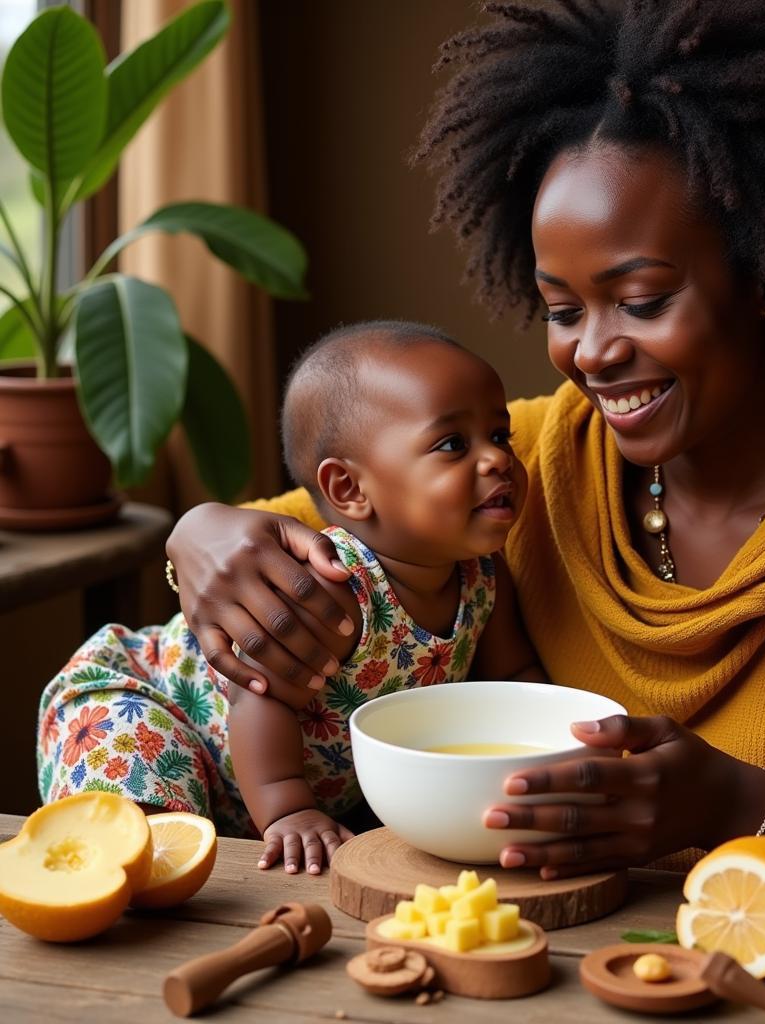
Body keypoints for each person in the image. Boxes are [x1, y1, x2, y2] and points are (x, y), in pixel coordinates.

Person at [70, 2, 765, 1018]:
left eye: (641, 299)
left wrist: (743, 805)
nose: (591, 353)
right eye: (562, 310)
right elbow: (304, 519)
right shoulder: (536, 457)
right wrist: (199, 530)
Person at [38, 320, 541, 874]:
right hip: (151, 703)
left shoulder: (484, 576)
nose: (496, 460)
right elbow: (260, 692)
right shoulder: (330, 583)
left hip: (251, 779)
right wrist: (287, 808)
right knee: (136, 846)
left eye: (500, 435)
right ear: (349, 490)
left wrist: (556, 744)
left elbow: (512, 675)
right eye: (452, 444)